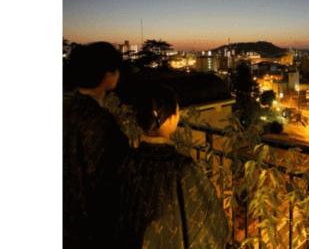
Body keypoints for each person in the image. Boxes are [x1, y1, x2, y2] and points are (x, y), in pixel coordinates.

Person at [116, 83, 229, 249]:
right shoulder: (184, 169)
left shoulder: (125, 160)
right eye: (177, 111)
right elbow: (211, 225)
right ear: (171, 119)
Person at [63, 42, 130, 248]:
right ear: (108, 75)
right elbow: (109, 179)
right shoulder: (99, 122)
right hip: (89, 226)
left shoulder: (65, 105)